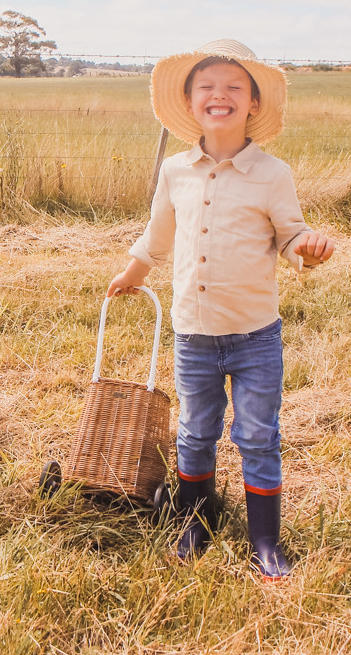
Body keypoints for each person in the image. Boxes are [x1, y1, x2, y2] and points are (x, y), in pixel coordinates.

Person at [107, 39, 334, 580]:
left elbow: (291, 235)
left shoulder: (272, 174)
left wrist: (307, 250)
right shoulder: (175, 172)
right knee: (195, 430)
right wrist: (134, 272)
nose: (220, 96)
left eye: (235, 87)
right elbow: (159, 232)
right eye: (206, 87)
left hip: (254, 335)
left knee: (257, 433)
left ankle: (265, 541)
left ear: (253, 103)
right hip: (194, 332)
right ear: (189, 101)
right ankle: (195, 523)